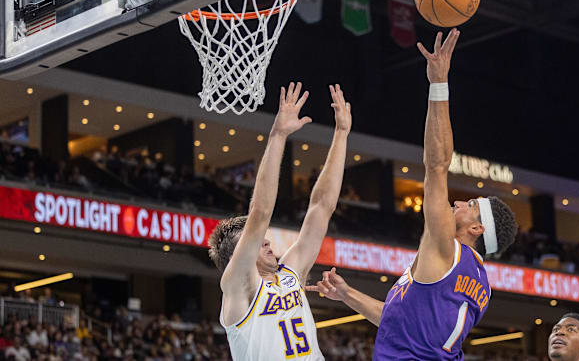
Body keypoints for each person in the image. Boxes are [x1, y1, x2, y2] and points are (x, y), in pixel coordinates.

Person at [307, 30, 519, 360]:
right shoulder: (481, 285)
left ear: (476, 229)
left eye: (471, 205)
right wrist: (349, 295)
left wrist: (438, 83)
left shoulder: (444, 248)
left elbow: (436, 165)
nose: (459, 202)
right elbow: (403, 325)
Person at [208, 82, 352, 360]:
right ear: (237, 256)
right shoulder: (238, 286)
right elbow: (260, 213)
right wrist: (278, 135)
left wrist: (342, 134)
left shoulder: (289, 274)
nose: (266, 241)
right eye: (256, 243)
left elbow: (322, 208)